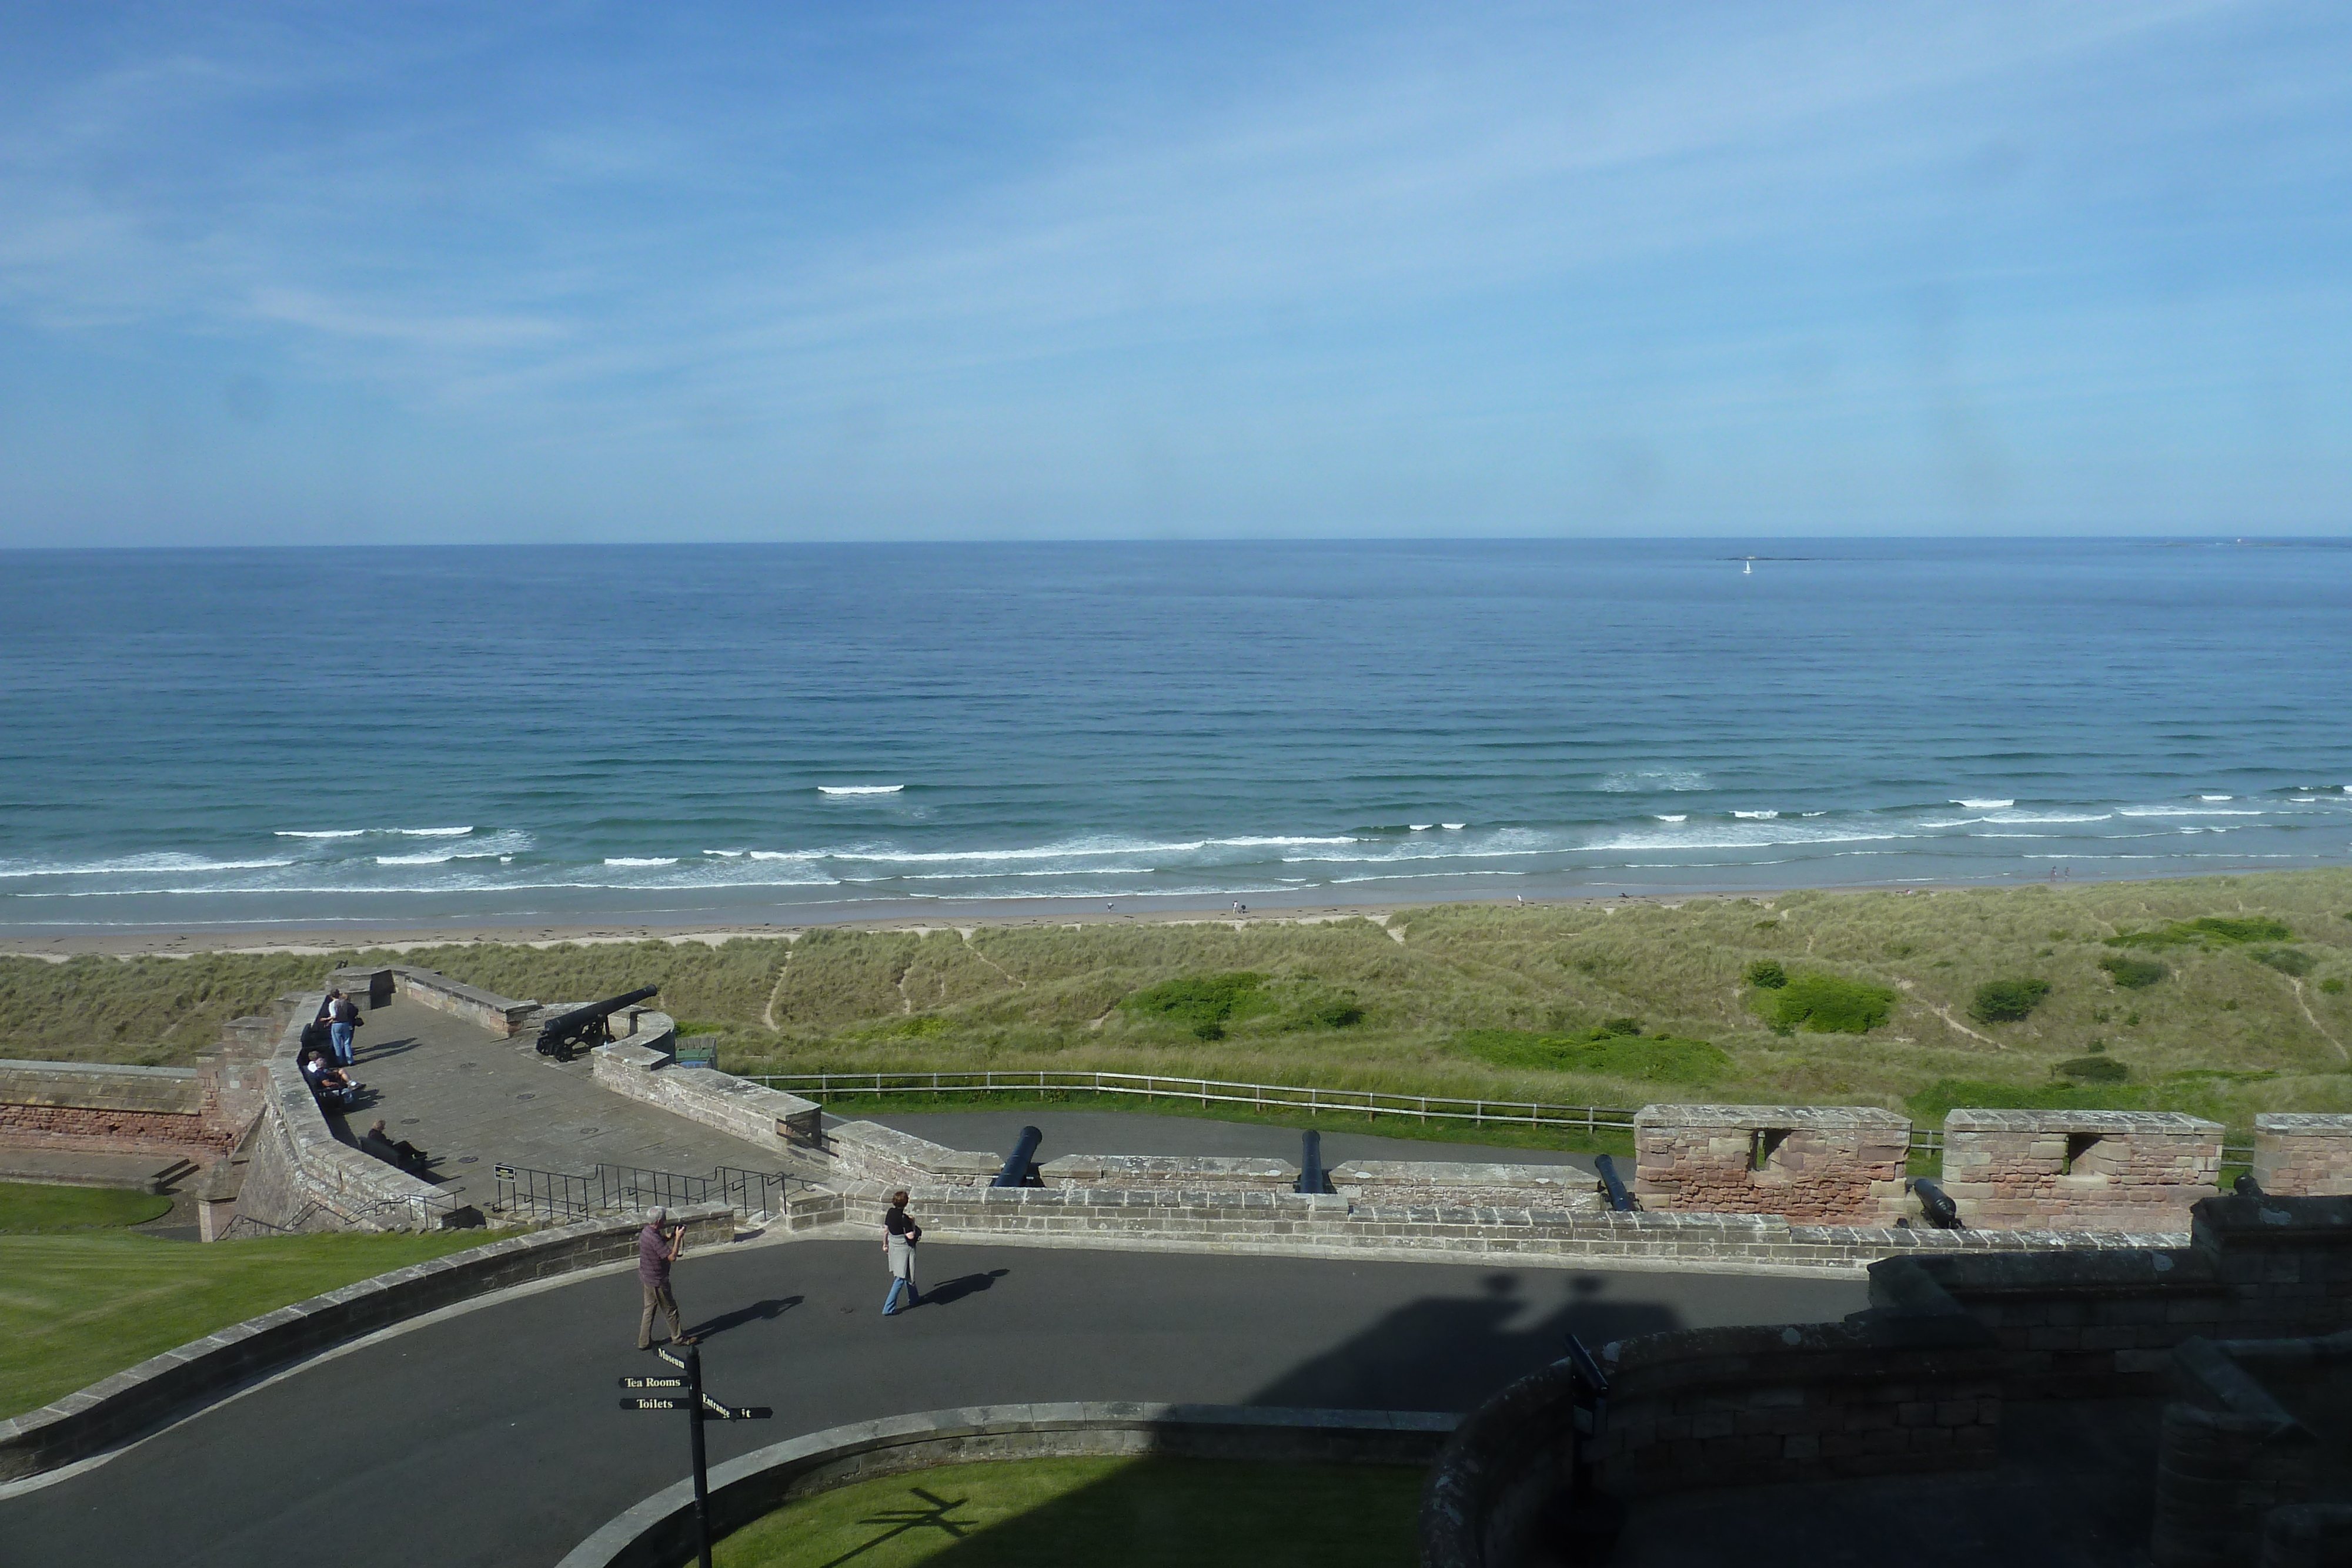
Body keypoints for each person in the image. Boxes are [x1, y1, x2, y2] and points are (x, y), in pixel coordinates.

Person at [637, 1207, 697, 1351]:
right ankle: (678, 1338)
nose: (665, 1220)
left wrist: (670, 1236)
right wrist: (678, 1238)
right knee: (670, 1310)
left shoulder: (647, 1233)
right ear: (658, 1221)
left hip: (647, 1278)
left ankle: (643, 1342)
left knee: (649, 1309)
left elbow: (658, 1244)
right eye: (664, 1218)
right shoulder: (654, 1237)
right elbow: (672, 1257)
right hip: (658, 1281)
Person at [882, 1190, 922, 1316]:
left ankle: (914, 1298)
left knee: (908, 1273)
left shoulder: (890, 1212)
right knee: (901, 1277)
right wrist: (914, 1225)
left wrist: (885, 1244)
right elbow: (911, 1236)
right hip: (904, 1249)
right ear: (906, 1203)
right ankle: (888, 1308)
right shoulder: (904, 1218)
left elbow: (886, 1231)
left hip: (894, 1245)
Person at [359, 1118, 429, 1177]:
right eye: (383, 1127)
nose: (384, 1128)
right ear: (379, 1128)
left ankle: (417, 1154)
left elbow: (383, 1143)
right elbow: (387, 1144)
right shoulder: (378, 1135)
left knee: (404, 1145)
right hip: (391, 1155)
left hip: (383, 1153)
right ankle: (418, 1154)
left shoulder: (371, 1133)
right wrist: (391, 1141)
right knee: (404, 1144)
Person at [298, 1046, 361, 1110]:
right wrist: (337, 1084)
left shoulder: (314, 1069)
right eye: (322, 1061)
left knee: (341, 1073)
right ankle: (348, 1107)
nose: (325, 1062)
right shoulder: (320, 1073)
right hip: (325, 1091)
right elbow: (327, 1083)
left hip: (320, 1088)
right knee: (346, 1090)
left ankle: (351, 1083)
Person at [327, 989, 363, 1066]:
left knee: (337, 1043)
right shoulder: (344, 1002)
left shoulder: (332, 1004)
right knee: (347, 1043)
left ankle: (340, 1061)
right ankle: (350, 1061)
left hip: (336, 1024)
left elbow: (334, 1016)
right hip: (346, 1023)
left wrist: (327, 1020)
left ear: (331, 996)